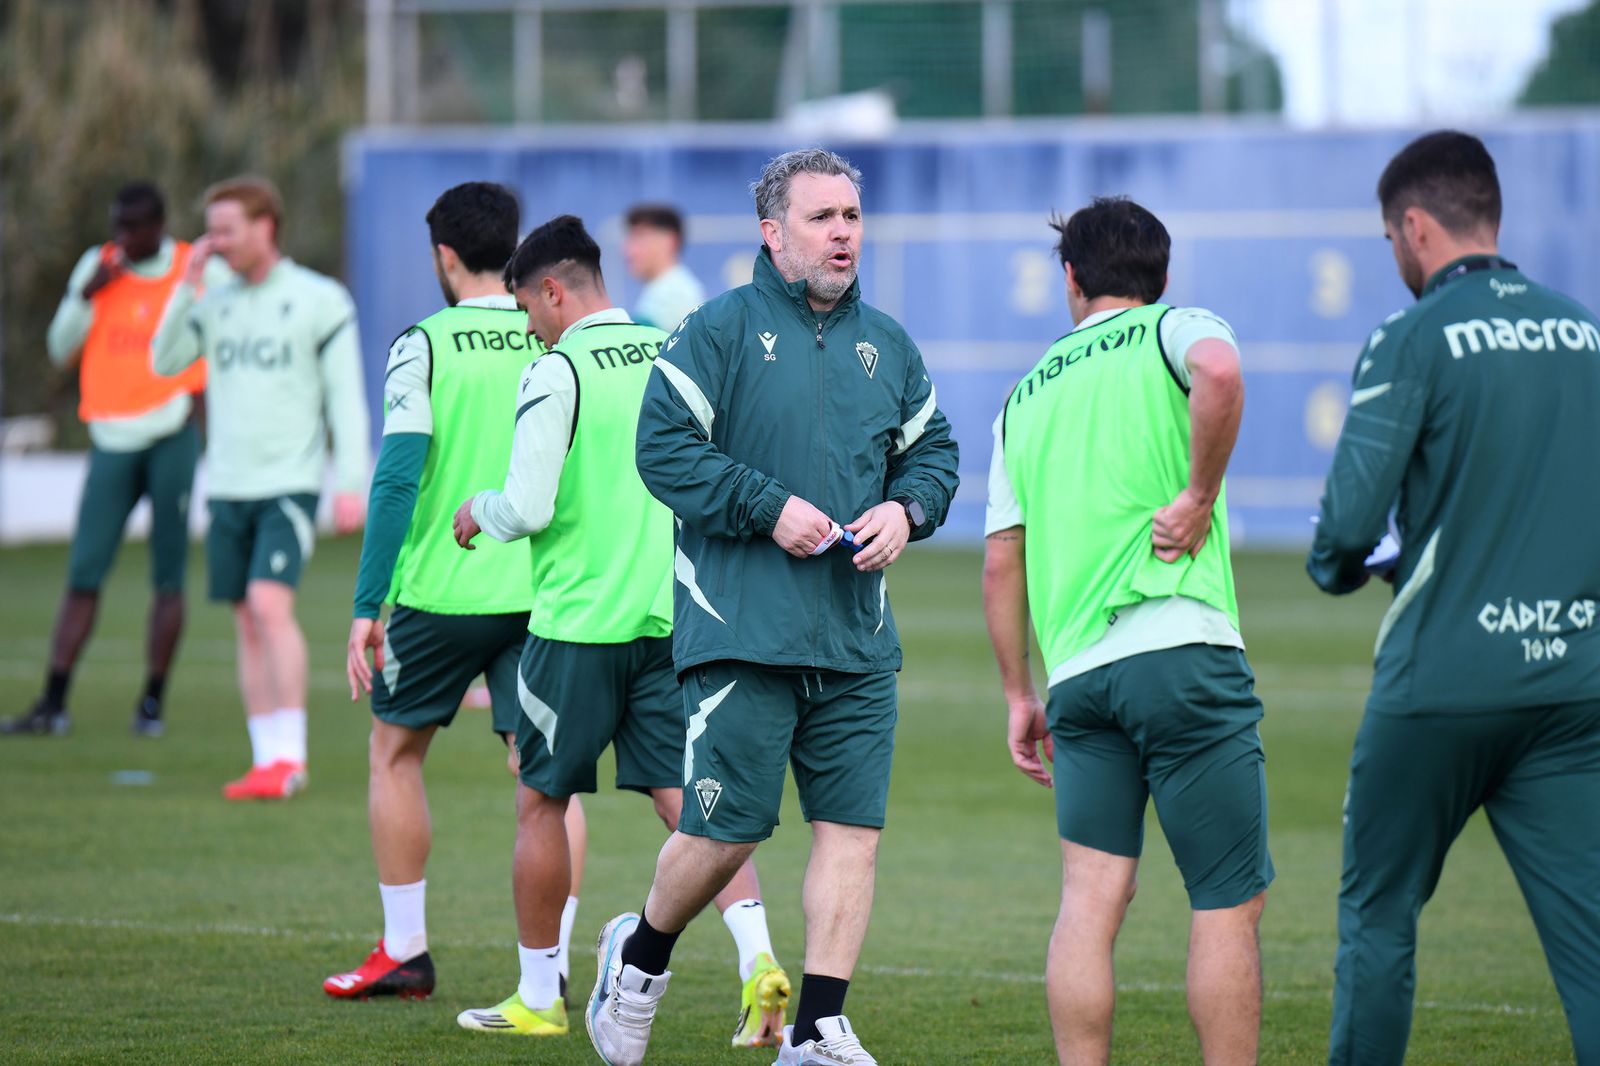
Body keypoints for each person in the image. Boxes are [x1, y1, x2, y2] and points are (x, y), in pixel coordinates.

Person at [587, 148, 960, 1066]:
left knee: (853, 833)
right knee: (725, 830)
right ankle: (636, 962)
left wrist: (906, 510)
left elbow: (936, 454)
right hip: (740, 633)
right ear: (772, 232)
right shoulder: (711, 331)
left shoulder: (892, 347)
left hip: (857, 641)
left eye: (853, 218)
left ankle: (820, 1024)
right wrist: (767, 507)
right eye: (823, 218)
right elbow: (663, 451)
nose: (844, 234)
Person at [449, 215, 789, 1047]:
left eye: (528, 306)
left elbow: (526, 506)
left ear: (554, 291)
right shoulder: (672, 353)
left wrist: (474, 511)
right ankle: (760, 964)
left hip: (576, 626)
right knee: (694, 810)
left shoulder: (556, 370)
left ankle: (538, 996)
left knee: (540, 800)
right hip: (671, 620)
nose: (528, 324)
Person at [1309, 130, 1600, 1066]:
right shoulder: (1586, 330)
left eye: (1390, 237)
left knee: (1380, 916)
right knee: (1591, 949)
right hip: (1573, 680)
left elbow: (1348, 531)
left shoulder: (1413, 336)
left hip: (1443, 679)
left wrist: (1342, 565)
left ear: (1416, 226)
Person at [981, 197, 1272, 1065]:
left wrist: (1017, 695)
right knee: (1224, 901)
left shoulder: (1022, 396)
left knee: (1090, 900)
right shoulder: (1172, 327)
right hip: (1181, 651)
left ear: (1070, 281)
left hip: (1078, 678)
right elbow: (1219, 373)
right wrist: (1199, 496)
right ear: (1163, 275)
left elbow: (1002, 559)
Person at [322, 181, 588, 1002]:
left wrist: (368, 605)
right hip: (543, 592)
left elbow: (397, 478)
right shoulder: (554, 333)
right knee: (544, 779)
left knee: (395, 752)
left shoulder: (424, 343)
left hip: (441, 592)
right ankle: (555, 961)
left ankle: (405, 949)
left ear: (443, 255)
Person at [152, 175, 370, 801]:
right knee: (247, 618)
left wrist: (349, 481)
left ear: (264, 227)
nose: (213, 241)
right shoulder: (212, 303)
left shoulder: (318, 299)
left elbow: (344, 400)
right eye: (210, 229)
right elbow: (162, 363)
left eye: (225, 229)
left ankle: (291, 759)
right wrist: (185, 285)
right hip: (227, 486)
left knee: (271, 607)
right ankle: (265, 759)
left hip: (288, 484)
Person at [3, 183, 230, 739]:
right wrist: (86, 295)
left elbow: (226, 334)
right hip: (111, 438)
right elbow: (60, 347)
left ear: (159, 226)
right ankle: (53, 703)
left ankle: (151, 703)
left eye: (134, 229)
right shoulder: (99, 266)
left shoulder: (191, 266)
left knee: (168, 577)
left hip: (172, 434)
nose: (123, 239)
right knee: (84, 572)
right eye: (117, 227)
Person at [623, 203, 705, 331]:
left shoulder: (674, 293)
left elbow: (635, 339)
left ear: (669, 241)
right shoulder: (665, 287)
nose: (628, 251)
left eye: (639, 237)